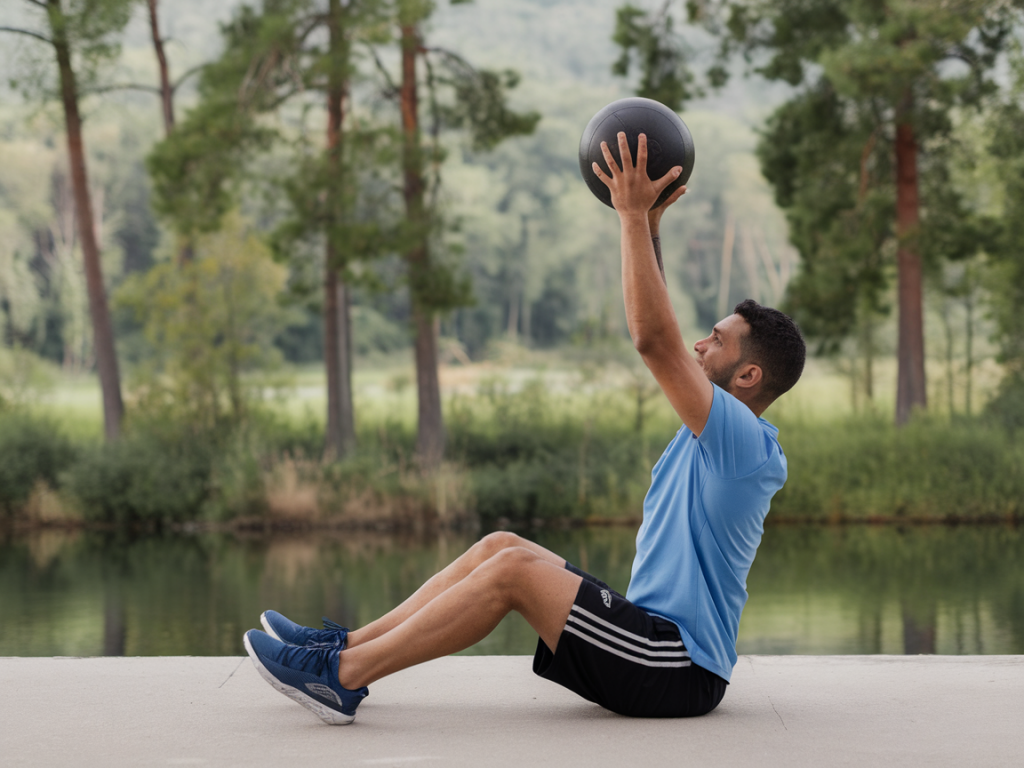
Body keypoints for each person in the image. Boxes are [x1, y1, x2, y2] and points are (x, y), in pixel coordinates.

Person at [242, 131, 806, 725]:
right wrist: (649, 228)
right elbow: (663, 329)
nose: (699, 344)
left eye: (715, 341)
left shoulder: (742, 445)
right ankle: (345, 646)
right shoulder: (714, 433)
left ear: (748, 375)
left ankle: (340, 678)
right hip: (648, 643)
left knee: (513, 575)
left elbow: (654, 340)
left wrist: (632, 216)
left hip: (677, 667)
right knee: (501, 546)